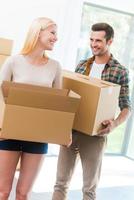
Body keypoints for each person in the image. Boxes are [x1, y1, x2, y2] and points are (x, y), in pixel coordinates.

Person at [52, 22, 131, 200]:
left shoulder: (120, 71)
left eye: (99, 41)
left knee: (89, 189)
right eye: (91, 39)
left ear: (110, 42)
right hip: (71, 131)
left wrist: (114, 124)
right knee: (60, 183)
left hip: (96, 135)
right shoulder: (82, 65)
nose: (94, 44)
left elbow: (127, 106)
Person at [0, 17, 62, 200]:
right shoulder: (13, 61)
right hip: (9, 133)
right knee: (3, 191)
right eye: (52, 32)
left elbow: (59, 105)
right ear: (38, 32)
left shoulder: (55, 66)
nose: (56, 38)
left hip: (38, 136)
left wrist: (61, 132)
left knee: (23, 193)